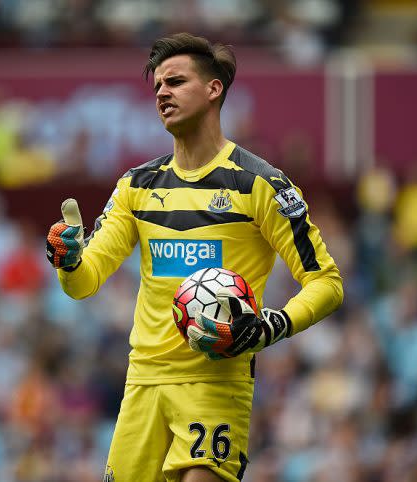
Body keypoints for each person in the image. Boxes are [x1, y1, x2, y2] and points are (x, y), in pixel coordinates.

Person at [45, 33, 343, 482]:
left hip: (216, 383)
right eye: (158, 85)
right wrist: (68, 259)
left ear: (213, 89)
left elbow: (327, 282)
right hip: (143, 384)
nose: (163, 91)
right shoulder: (137, 186)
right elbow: (84, 282)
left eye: (176, 81)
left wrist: (270, 327)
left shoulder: (259, 184)